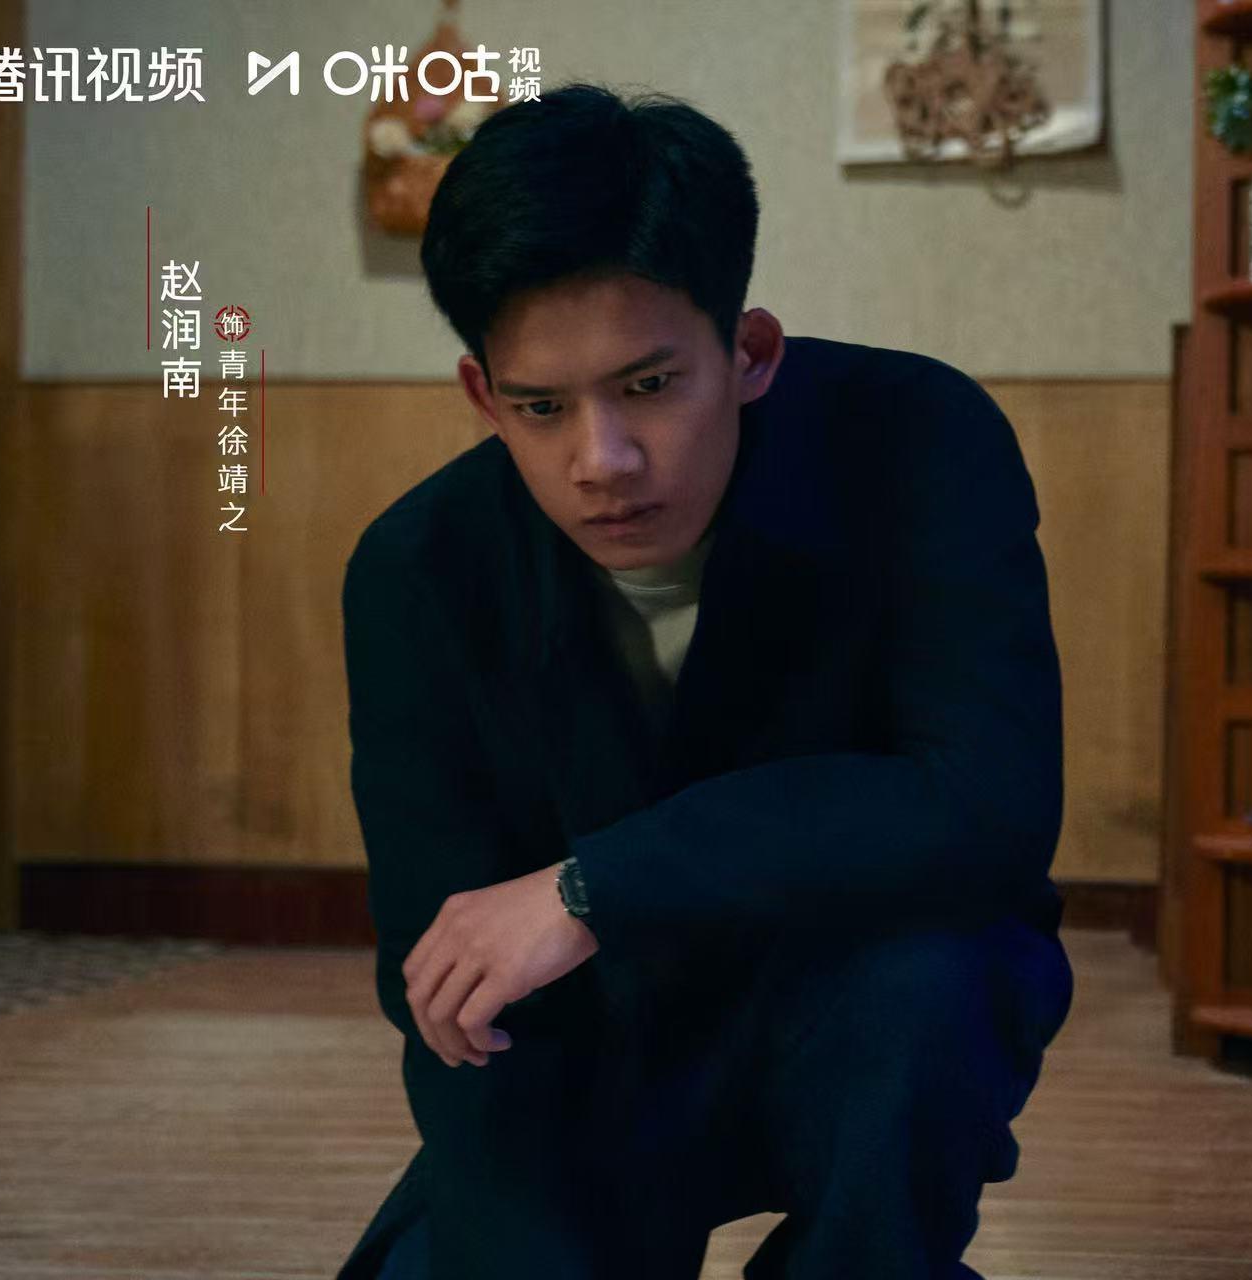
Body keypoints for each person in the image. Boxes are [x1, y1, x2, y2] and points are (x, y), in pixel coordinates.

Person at [332, 81, 1075, 1279]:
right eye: (539, 406)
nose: (602, 461)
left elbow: (986, 807)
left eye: (649, 385)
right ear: (482, 398)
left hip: (865, 1020)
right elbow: (451, 987)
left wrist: (593, 886)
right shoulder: (418, 566)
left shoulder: (915, 438)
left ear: (748, 351)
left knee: (931, 982)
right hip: (590, 1063)